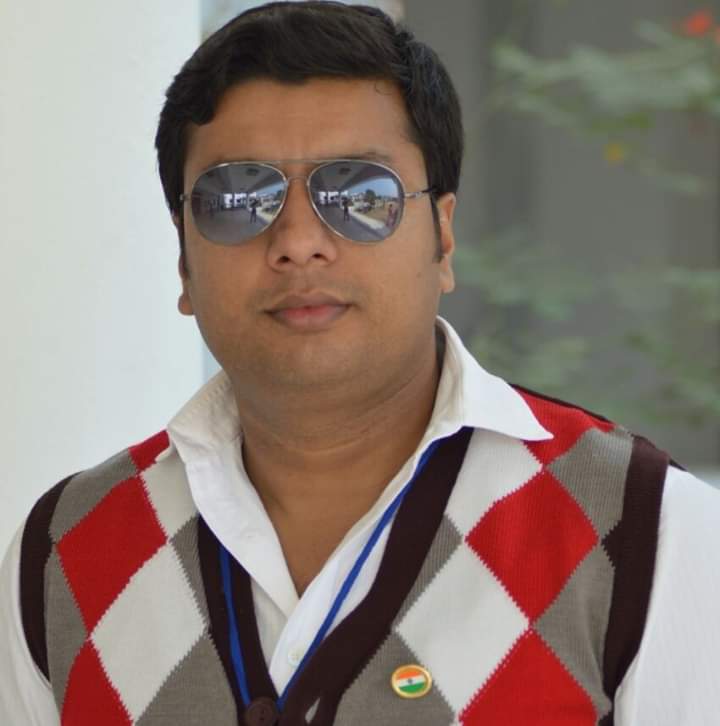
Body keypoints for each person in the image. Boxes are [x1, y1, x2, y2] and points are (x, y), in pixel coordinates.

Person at [1, 3, 719, 725]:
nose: (298, 242)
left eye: (358, 195)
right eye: (239, 199)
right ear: (184, 260)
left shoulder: (645, 533)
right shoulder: (61, 555)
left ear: (443, 236)